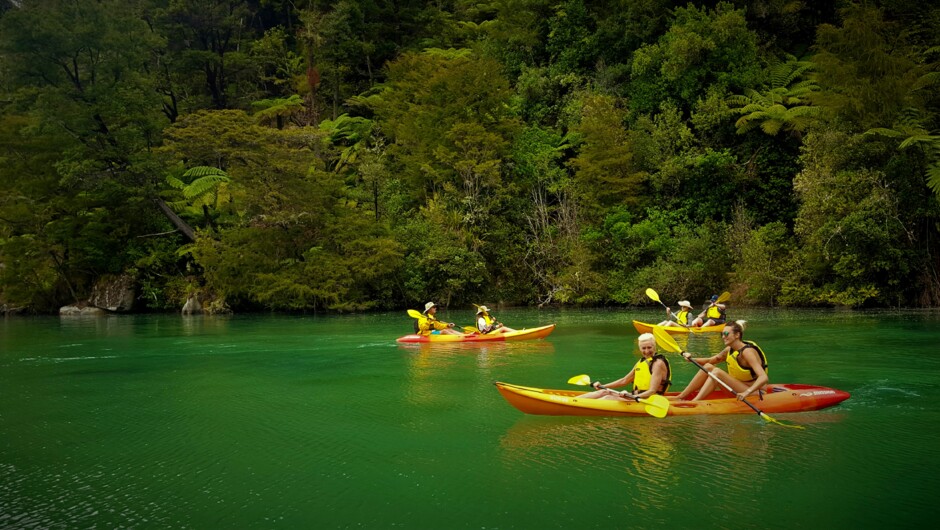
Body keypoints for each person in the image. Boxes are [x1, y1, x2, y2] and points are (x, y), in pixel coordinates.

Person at [674, 320, 768, 401]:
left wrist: (746, 393)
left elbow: (763, 377)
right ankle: (681, 396)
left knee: (717, 372)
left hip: (755, 392)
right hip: (738, 387)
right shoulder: (729, 349)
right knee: (708, 367)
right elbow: (711, 360)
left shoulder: (747, 352)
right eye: (722, 334)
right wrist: (691, 359)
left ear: (737, 335)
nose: (723, 336)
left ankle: (695, 402)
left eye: (726, 334)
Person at [577, 333, 671, 402]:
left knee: (608, 398)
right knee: (603, 392)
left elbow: (652, 391)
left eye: (649, 347)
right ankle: (572, 401)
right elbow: (624, 380)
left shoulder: (658, 364)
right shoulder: (642, 361)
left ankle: (576, 406)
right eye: (643, 348)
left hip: (649, 400)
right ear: (639, 348)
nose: (646, 351)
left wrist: (630, 396)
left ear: (655, 346)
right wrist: (603, 387)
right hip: (635, 396)